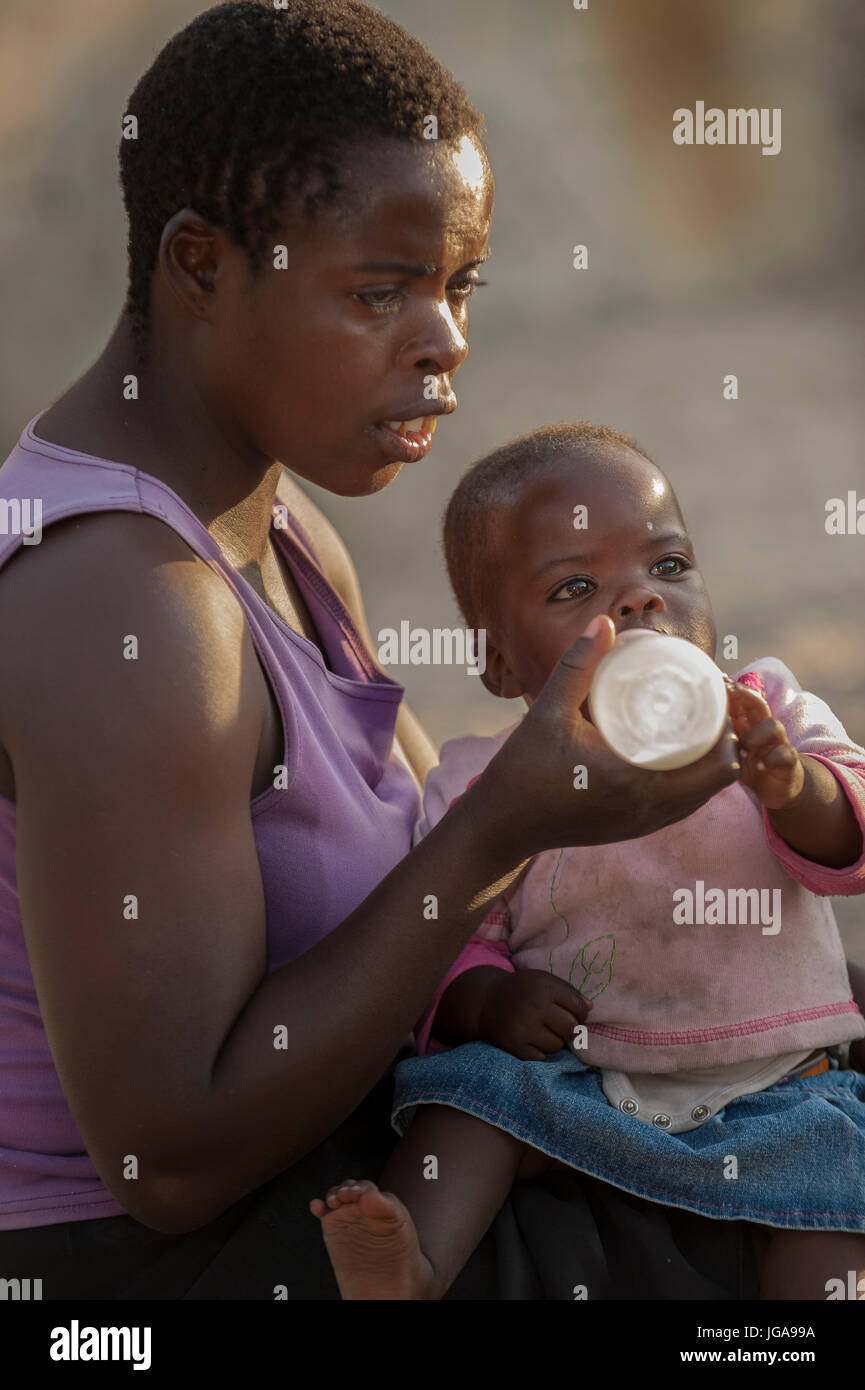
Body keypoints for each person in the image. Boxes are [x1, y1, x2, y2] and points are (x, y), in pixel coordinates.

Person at [0, 1, 791, 1301]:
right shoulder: (123, 605)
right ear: (200, 267)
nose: (446, 346)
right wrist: (507, 833)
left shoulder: (277, 521)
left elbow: (443, 830)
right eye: (379, 292)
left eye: (457, 286)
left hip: (342, 1168)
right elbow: (167, 1158)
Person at [311, 421, 865, 1301]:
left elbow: (851, 840)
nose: (642, 601)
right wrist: (489, 997)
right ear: (498, 664)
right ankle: (410, 1263)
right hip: (581, 1082)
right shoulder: (482, 783)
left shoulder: (766, 710)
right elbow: (452, 938)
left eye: (669, 567)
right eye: (577, 587)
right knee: (466, 1098)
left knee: (830, 1216)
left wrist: (790, 788)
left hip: (775, 1089)